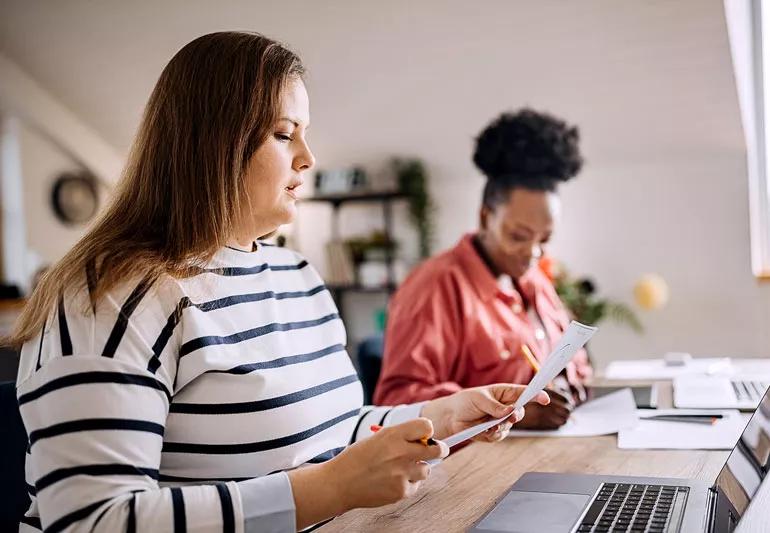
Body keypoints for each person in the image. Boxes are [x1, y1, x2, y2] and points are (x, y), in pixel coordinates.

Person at [9, 32, 548, 533]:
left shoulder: (297, 276)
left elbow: (333, 432)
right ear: (211, 145)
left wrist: (441, 415)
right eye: (284, 134)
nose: (307, 158)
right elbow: (92, 520)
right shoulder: (107, 296)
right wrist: (331, 489)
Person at [374, 109, 592, 430]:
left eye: (544, 239)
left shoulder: (534, 280)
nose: (532, 252)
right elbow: (395, 402)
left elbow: (577, 364)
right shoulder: (435, 287)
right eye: (518, 236)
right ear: (485, 217)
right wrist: (510, 412)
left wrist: (566, 388)